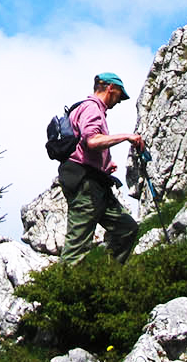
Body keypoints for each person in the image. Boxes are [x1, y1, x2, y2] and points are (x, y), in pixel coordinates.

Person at [58, 73, 144, 265]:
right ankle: (59, 290)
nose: (119, 101)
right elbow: (92, 141)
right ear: (110, 88)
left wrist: (105, 164)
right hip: (85, 185)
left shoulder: (87, 109)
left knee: (127, 228)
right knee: (78, 244)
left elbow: (84, 145)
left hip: (95, 182)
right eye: (120, 95)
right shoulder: (91, 108)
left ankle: (106, 278)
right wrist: (126, 136)